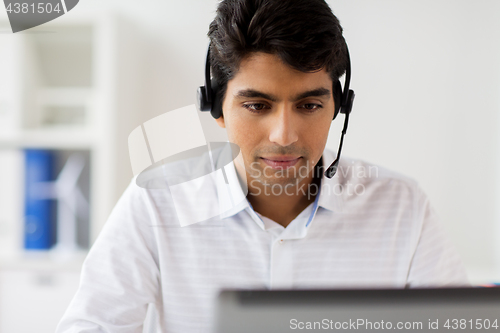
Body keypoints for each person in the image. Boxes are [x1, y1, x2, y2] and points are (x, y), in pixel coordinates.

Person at [56, 0, 468, 332]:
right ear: (216, 106)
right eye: (257, 105)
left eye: (309, 105)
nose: (283, 135)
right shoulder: (156, 201)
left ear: (339, 107)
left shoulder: (402, 206)